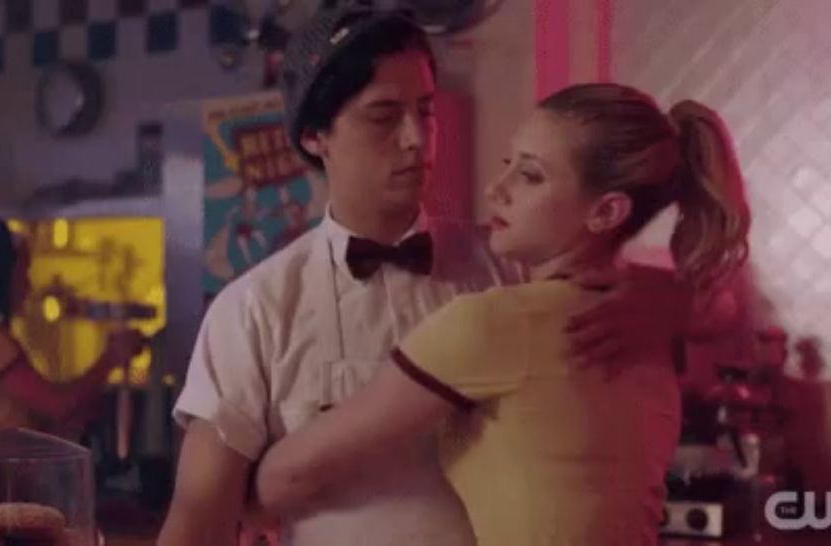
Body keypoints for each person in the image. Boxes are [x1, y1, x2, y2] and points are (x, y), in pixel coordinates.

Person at [158, 8, 719, 546]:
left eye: (424, 111)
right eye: (383, 116)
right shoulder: (254, 308)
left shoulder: (512, 265)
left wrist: (666, 301)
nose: (416, 139)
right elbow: (199, 517)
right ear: (315, 136)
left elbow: (703, 310)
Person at [254, 83, 751, 545]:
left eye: (531, 175)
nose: (497, 188)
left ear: (606, 213)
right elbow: (721, 309)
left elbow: (290, 476)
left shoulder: (497, 323)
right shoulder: (647, 320)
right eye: (508, 162)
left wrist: (243, 500)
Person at [0, 218, 145, 433]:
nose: (28, 284)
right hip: (4, 470)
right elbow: (58, 407)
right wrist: (110, 359)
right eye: (23, 272)